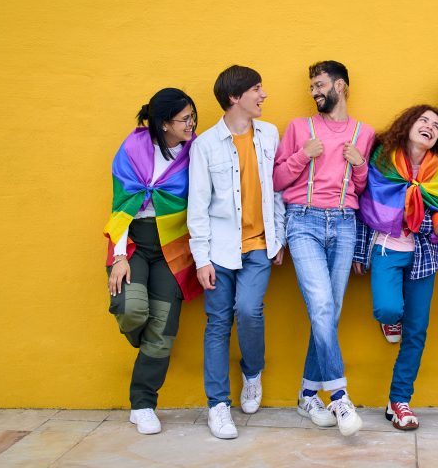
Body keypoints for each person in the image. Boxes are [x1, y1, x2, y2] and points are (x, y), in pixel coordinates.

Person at [274, 60, 376, 436]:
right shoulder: (300, 128)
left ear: (342, 86)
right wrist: (304, 155)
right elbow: (278, 179)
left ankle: (306, 393)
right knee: (320, 305)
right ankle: (339, 396)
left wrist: (360, 165)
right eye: (311, 87)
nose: (315, 92)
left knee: (328, 314)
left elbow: (362, 190)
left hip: (345, 225)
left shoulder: (365, 133)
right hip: (303, 222)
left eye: (320, 85)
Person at [187, 66, 286, 440]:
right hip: (218, 250)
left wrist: (279, 238)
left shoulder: (269, 134)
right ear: (234, 97)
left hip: (259, 246)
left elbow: (275, 191)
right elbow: (197, 207)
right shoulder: (205, 145)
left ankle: (252, 371)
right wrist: (201, 259)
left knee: (248, 310)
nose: (263, 96)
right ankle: (217, 406)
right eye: (257, 89)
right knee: (216, 324)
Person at [352, 105, 438, 430]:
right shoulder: (383, 160)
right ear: (408, 124)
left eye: (436, 125)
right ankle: (392, 321)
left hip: (424, 255)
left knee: (416, 333)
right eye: (423, 120)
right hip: (386, 248)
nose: (429, 126)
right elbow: (365, 206)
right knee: (387, 309)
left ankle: (399, 400)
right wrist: (361, 254)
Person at [104, 88, 201, 435]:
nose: (191, 124)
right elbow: (120, 204)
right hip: (133, 243)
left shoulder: (195, 153)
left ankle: (142, 404)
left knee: (162, 332)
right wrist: (118, 256)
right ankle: (144, 345)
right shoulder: (133, 148)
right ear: (164, 123)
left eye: (193, 116)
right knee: (132, 310)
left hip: (173, 248)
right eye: (184, 119)